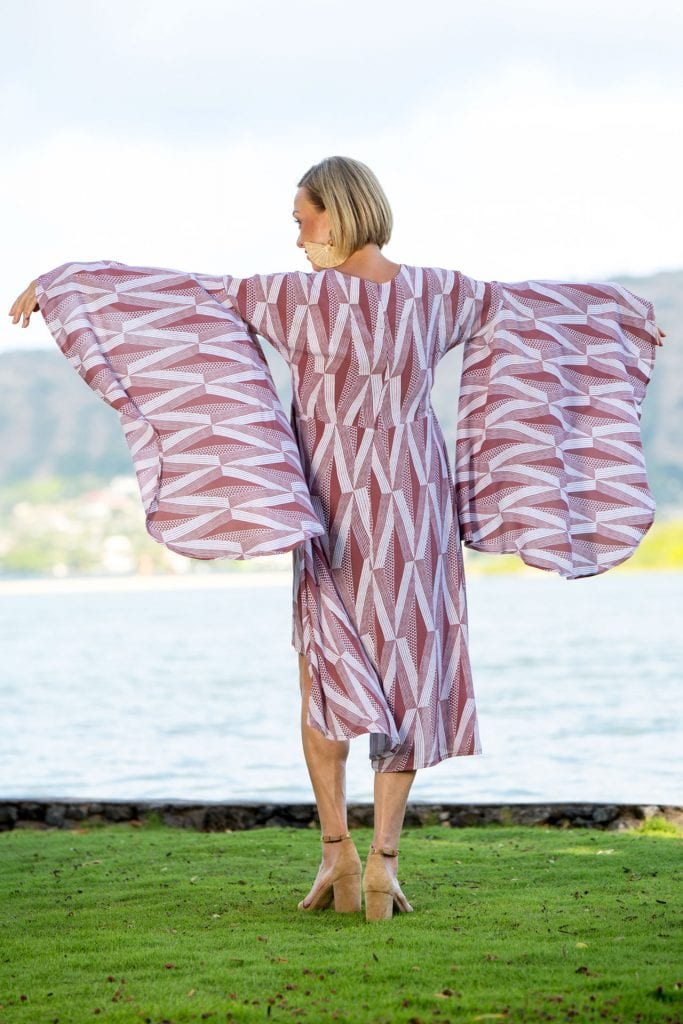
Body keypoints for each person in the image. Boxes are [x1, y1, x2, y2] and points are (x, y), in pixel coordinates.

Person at [9, 156, 663, 922]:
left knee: (325, 676)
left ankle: (339, 856)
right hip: (416, 504)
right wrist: (620, 318)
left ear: (341, 211)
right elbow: (544, 311)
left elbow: (177, 298)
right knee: (410, 675)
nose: (295, 237)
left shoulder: (293, 297)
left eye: (302, 218)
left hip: (335, 502)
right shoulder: (444, 292)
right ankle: (381, 861)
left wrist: (62, 284)